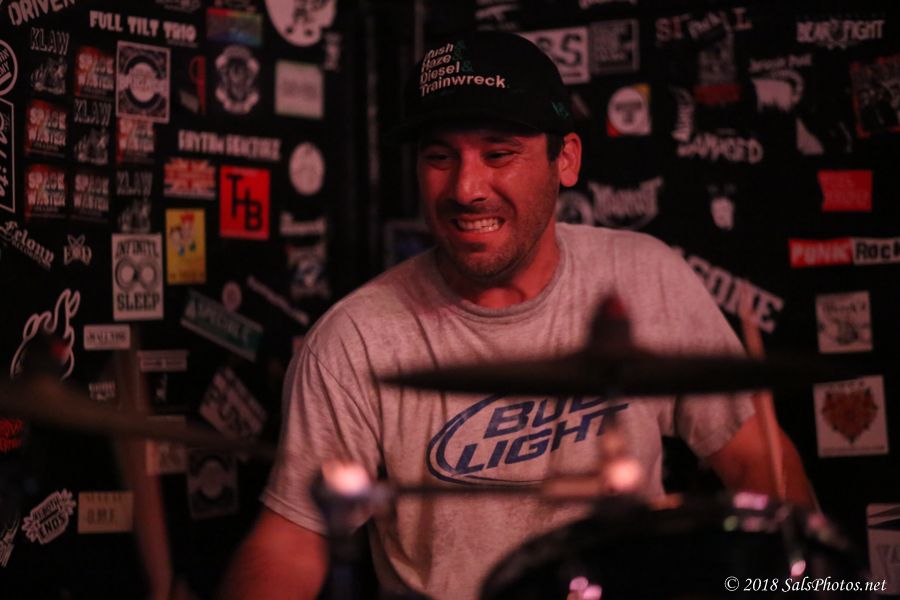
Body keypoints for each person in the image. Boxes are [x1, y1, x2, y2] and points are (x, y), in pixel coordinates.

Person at [219, 31, 815, 600]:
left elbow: (755, 458)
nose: (466, 188)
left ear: (566, 159)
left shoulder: (644, 277)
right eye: (439, 157)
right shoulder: (356, 340)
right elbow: (291, 543)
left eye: (498, 154)